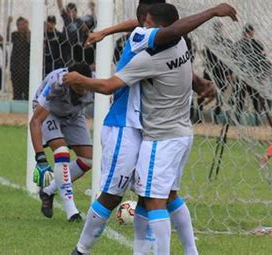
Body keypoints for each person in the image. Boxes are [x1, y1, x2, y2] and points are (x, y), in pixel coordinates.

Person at [63, 1, 237, 254]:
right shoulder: (149, 40)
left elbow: (165, 32)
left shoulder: (164, 39)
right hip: (125, 124)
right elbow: (164, 32)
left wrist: (105, 32)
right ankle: (81, 250)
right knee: (114, 195)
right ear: (147, 20)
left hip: (153, 130)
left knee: (154, 197)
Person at [30, 63, 94, 222]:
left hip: (75, 115)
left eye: (83, 84)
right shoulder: (56, 85)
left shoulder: (94, 84)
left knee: (88, 160)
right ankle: (71, 211)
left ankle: (48, 190)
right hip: (49, 113)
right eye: (77, 85)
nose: (82, 89)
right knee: (61, 153)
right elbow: (36, 121)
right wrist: (40, 158)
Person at [233, 24, 272, 125]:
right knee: (242, 98)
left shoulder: (255, 44)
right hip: (246, 75)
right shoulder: (241, 44)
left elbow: (261, 60)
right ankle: (246, 120)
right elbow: (234, 60)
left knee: (251, 98)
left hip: (250, 75)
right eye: (251, 32)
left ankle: (254, 120)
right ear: (249, 32)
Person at [57, 0, 90, 66]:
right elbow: (60, 6)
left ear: (76, 12)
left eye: (73, 11)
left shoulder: (80, 21)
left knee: (77, 64)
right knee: (68, 64)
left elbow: (88, 33)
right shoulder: (66, 18)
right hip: (66, 47)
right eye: (69, 12)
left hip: (77, 48)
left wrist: (86, 30)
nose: (71, 14)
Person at [8, 16, 30, 100]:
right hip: (15, 67)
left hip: (26, 67)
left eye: (23, 24)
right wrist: (8, 24)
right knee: (17, 91)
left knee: (27, 90)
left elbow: (29, 41)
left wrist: (27, 29)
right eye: (19, 25)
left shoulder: (29, 34)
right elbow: (7, 39)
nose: (21, 27)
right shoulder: (15, 35)